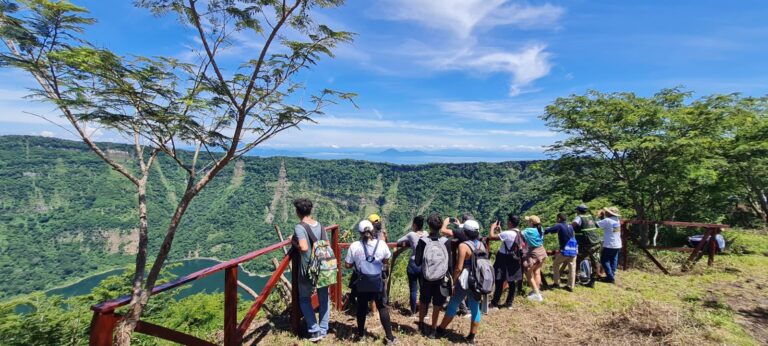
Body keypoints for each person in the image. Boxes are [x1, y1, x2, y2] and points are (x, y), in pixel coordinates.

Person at [345, 220, 397, 344]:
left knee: (362, 308)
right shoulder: (382, 244)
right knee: (382, 307)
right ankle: (390, 337)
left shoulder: (354, 246)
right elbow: (386, 260)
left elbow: (347, 265)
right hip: (377, 282)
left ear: (360, 232)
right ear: (372, 230)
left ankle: (361, 335)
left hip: (361, 283)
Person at [435, 219, 484, 344]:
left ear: (465, 232)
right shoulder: (481, 244)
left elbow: (458, 268)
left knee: (453, 303)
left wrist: (453, 283)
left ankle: (440, 330)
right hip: (477, 279)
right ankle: (471, 337)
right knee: (474, 307)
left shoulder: (463, 246)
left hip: (465, 280)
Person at [291, 198, 329, 342]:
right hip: (322, 268)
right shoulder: (320, 225)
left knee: (304, 299)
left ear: (298, 212)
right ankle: (324, 329)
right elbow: (326, 244)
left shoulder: (299, 227)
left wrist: (293, 241)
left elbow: (304, 247)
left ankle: (314, 330)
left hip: (307, 270)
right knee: (324, 298)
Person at [413, 213, 452, 337]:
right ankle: (434, 329)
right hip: (441, 278)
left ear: (429, 226)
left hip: (426, 277)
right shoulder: (446, 241)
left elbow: (417, 262)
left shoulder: (423, 241)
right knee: (437, 304)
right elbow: (449, 263)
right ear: (440, 226)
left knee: (424, 301)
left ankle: (421, 325)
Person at [488, 214, 524, 308]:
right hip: (514, 259)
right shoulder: (519, 232)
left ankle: (494, 303)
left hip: (503, 259)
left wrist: (492, 227)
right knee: (511, 281)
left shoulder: (507, 233)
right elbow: (508, 239)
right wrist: (500, 231)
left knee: (499, 280)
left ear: (510, 223)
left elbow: (491, 237)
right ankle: (509, 303)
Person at [396, 215, 426, 315]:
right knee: (423, 289)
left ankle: (413, 312)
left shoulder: (411, 234)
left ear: (414, 225)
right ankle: (423, 312)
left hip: (413, 263)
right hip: (423, 264)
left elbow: (398, 241)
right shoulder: (426, 233)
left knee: (413, 290)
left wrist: (409, 242)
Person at [544, 213, 577, 292]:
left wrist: (546, 229)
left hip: (565, 250)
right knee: (572, 268)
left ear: (559, 219)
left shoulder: (559, 225)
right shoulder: (570, 226)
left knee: (556, 264)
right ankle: (570, 286)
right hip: (573, 249)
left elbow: (548, 230)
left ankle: (556, 282)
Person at [572, 204, 601, 286]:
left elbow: (572, 226)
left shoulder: (579, 217)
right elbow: (595, 225)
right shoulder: (590, 216)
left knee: (577, 260)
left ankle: (575, 279)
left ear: (578, 210)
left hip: (586, 244)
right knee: (595, 261)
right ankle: (593, 281)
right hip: (596, 242)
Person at [521, 215, 547, 302]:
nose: (527, 222)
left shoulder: (528, 230)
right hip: (542, 251)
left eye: (528, 221)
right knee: (537, 272)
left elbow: (517, 234)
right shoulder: (541, 229)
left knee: (527, 273)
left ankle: (537, 294)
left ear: (531, 222)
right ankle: (536, 290)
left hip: (534, 253)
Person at [598, 207, 622, 284]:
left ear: (610, 213)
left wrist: (600, 217)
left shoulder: (607, 220)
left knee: (604, 260)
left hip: (610, 243)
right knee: (613, 260)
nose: (606, 212)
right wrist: (602, 217)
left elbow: (597, 225)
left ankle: (610, 277)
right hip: (617, 243)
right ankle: (611, 275)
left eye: (607, 212)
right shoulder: (616, 220)